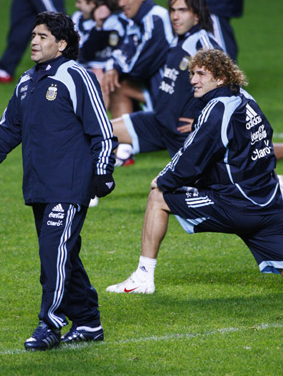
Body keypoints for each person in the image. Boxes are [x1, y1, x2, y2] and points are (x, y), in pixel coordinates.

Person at [0, 11, 118, 350]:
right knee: (63, 254)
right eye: (33, 35)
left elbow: (101, 128)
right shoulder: (27, 81)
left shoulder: (75, 74)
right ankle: (88, 322)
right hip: (38, 185)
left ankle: (50, 324)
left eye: (42, 36)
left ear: (61, 44)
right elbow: (6, 130)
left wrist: (103, 170)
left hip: (70, 184)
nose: (34, 41)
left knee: (52, 251)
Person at [106, 48, 283, 295]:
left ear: (220, 78)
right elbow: (263, 143)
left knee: (158, 197)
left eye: (201, 74)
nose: (193, 80)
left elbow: (190, 160)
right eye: (192, 73)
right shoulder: (246, 99)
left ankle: (143, 278)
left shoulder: (218, 109)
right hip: (269, 201)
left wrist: (163, 179)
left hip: (235, 203)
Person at [112, 0, 221, 165]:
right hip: (159, 122)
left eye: (182, 10)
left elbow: (229, 89)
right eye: (173, 10)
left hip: (185, 134)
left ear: (197, 15)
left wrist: (204, 121)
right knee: (99, 131)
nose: (175, 16)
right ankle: (89, 190)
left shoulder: (203, 45)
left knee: (248, 162)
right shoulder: (177, 40)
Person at [101, 0, 174, 118]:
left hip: (170, 95)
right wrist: (111, 69)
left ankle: (104, 134)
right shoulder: (135, 23)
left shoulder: (156, 19)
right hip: (156, 89)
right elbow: (120, 52)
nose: (121, 3)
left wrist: (116, 70)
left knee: (115, 84)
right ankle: (122, 138)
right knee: (112, 82)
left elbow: (139, 68)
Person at [72, 0, 129, 83]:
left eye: (79, 2)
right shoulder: (78, 19)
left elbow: (126, 52)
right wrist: (98, 27)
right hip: (86, 74)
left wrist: (106, 70)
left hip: (114, 73)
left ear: (93, 3)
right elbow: (84, 55)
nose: (77, 5)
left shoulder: (119, 20)